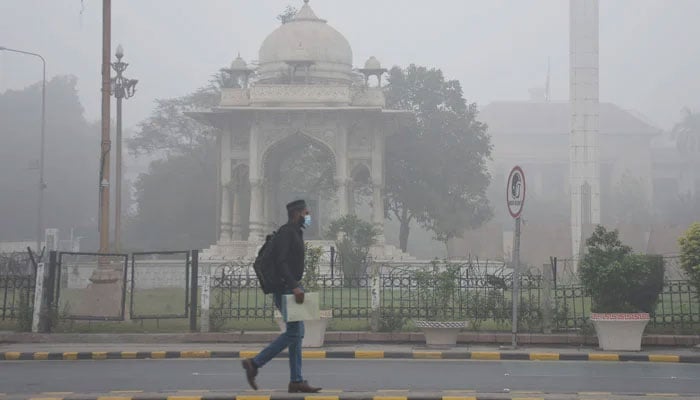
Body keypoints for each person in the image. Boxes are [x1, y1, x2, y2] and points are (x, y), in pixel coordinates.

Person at [242, 199, 321, 393]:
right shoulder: (287, 233)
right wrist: (294, 286)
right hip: (286, 288)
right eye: (306, 213)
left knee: (297, 333)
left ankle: (296, 381)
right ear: (297, 214)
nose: (308, 216)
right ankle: (255, 363)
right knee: (294, 333)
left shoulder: (295, 232)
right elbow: (281, 262)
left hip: (290, 286)